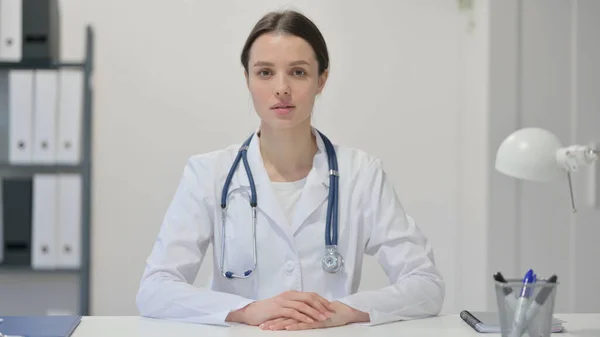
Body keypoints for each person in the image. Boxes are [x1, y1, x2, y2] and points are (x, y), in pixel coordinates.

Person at [136, 9, 444, 331]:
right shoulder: (208, 174)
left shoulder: (361, 174)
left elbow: (425, 285)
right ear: (247, 80)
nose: (281, 88)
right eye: (265, 73)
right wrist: (246, 309)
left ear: (321, 80)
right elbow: (155, 289)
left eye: (298, 72)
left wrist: (347, 310)